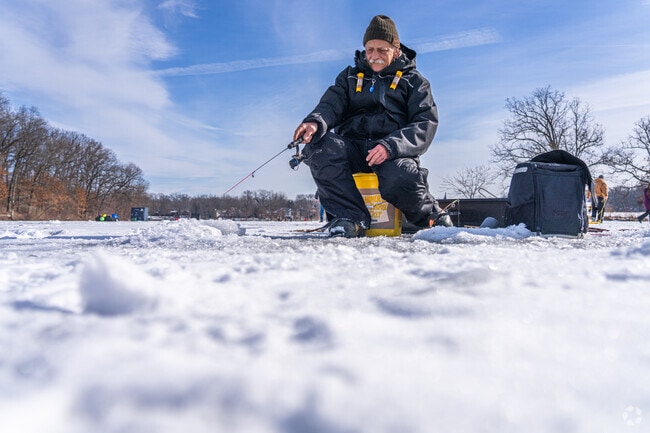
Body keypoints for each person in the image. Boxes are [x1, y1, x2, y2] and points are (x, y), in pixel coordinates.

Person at [293, 15, 451, 238]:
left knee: (401, 175)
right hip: (353, 149)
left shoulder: (414, 81)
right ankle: (349, 218)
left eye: (382, 50)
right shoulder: (349, 77)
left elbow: (425, 123)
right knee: (318, 148)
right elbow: (330, 105)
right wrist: (314, 122)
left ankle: (429, 216)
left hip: (393, 152)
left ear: (395, 50)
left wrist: (391, 146)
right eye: (370, 50)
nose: (374, 56)